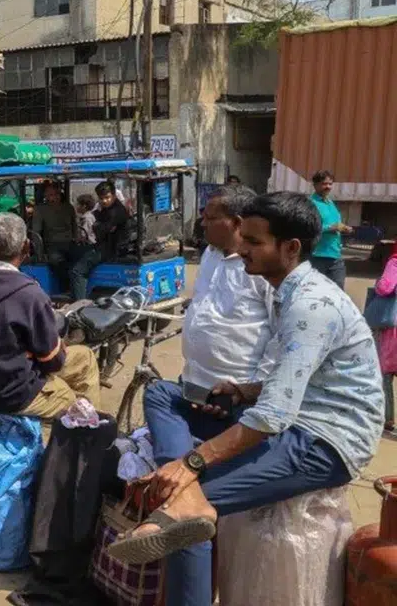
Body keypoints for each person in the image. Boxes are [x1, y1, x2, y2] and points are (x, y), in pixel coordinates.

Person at [112, 192, 382, 573]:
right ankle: (181, 495)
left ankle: (186, 503)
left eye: (254, 242)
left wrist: (193, 462)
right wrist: (244, 390)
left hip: (323, 438)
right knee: (163, 393)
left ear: (290, 248)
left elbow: (274, 415)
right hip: (285, 414)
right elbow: (296, 378)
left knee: (184, 492)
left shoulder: (311, 304)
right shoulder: (284, 291)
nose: (243, 249)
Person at [139, 184, 276, 603]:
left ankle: (181, 490)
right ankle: (181, 482)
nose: (201, 221)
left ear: (236, 223)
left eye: (209, 215)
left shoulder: (262, 272)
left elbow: (280, 340)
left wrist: (249, 391)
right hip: (192, 389)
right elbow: (203, 309)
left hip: (235, 404)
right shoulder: (212, 258)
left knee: (184, 512)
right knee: (158, 394)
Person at [0, 213, 99, 418]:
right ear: (27, 247)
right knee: (75, 404)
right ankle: (86, 431)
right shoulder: (29, 294)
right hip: (12, 393)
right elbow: (51, 361)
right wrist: (58, 347)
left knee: (85, 357)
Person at [71, 181, 131, 300]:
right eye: (101, 198)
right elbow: (101, 227)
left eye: (107, 197)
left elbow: (102, 229)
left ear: (114, 195)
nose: (104, 201)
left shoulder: (116, 211)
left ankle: (80, 306)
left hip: (110, 249)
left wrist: (99, 226)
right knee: (74, 252)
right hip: (106, 246)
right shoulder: (108, 209)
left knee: (77, 272)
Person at [309, 169, 351, 288]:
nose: (328, 187)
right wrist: (329, 228)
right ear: (315, 185)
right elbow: (308, 227)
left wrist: (344, 228)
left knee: (338, 292)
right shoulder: (311, 203)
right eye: (324, 183)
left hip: (335, 255)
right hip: (318, 256)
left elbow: (336, 224)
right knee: (316, 290)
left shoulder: (330, 203)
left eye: (330, 184)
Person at [31, 182, 78, 283]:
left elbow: (75, 226)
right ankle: (66, 286)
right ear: (45, 196)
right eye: (51, 195)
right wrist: (39, 253)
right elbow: (36, 232)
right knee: (58, 262)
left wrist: (77, 239)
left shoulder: (68, 207)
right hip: (52, 245)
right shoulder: (40, 209)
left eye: (57, 194)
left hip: (70, 243)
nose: (55, 197)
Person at [373, 248, 397, 433]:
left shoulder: (395, 262)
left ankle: (387, 418)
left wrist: (378, 283)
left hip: (393, 326)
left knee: (385, 372)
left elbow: (385, 287)